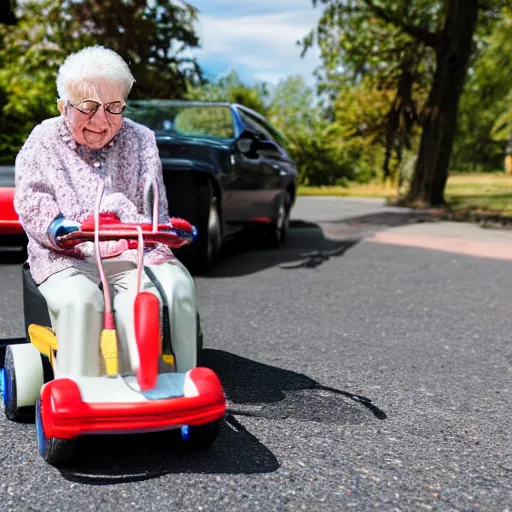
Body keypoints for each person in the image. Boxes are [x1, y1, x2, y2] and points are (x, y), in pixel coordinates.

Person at [14, 46, 197, 378]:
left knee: (154, 294)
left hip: (130, 250)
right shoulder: (43, 139)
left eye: (114, 107)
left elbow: (153, 204)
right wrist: (56, 227)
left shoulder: (141, 139)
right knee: (81, 303)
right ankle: (79, 389)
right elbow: (32, 198)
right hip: (67, 254)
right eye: (88, 107)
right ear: (62, 106)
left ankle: (164, 382)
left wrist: (161, 229)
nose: (101, 120)